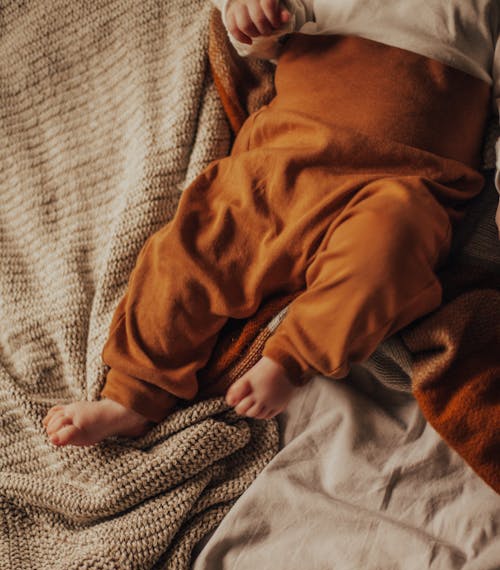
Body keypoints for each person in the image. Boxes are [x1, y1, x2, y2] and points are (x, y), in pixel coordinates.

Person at [43, 0, 500, 447]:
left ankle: (294, 357)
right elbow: (260, 34)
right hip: (287, 155)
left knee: (391, 252)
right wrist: (248, 17)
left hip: (407, 181)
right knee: (197, 245)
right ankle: (133, 392)